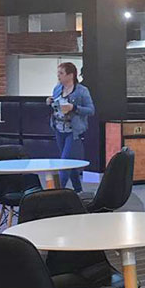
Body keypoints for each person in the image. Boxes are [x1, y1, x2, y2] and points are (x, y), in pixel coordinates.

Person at [47, 61, 94, 192]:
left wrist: (73, 107)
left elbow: (91, 110)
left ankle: (56, 192)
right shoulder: (57, 89)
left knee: (64, 162)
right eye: (58, 73)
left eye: (61, 73)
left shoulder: (82, 91)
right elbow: (56, 104)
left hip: (73, 131)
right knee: (70, 162)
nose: (58, 76)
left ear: (70, 75)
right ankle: (78, 190)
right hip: (59, 129)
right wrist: (50, 101)